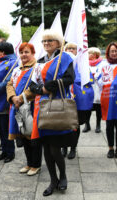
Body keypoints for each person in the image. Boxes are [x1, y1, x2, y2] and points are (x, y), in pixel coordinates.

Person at [28, 30, 75, 196]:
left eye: (50, 40)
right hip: (41, 108)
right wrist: (40, 89)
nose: (46, 43)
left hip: (57, 106)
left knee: (55, 148)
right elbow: (32, 84)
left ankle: (63, 176)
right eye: (44, 41)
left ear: (58, 42)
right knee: (46, 149)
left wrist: (49, 86)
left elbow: (69, 78)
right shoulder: (39, 61)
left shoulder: (65, 58)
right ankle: (52, 180)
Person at [6, 42, 42, 175]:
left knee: (32, 137)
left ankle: (36, 164)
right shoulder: (16, 70)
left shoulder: (38, 68)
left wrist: (21, 98)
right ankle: (29, 163)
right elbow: (9, 84)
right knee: (22, 135)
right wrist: (13, 97)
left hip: (31, 107)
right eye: (21, 52)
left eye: (27, 52)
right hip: (16, 106)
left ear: (33, 53)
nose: (23, 55)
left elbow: (37, 85)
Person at [96, 42, 117, 159]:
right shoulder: (103, 65)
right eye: (112, 51)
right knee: (109, 125)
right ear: (108, 53)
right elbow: (99, 81)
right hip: (107, 98)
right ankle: (110, 148)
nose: (114, 53)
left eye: (116, 51)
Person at [61, 42, 94, 159]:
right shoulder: (61, 63)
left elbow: (89, 80)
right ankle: (63, 147)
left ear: (77, 51)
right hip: (63, 99)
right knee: (63, 125)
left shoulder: (82, 64)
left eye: (73, 48)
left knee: (75, 125)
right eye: (68, 48)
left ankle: (73, 148)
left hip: (78, 100)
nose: (70, 50)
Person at [83, 47, 106, 133]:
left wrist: (96, 76)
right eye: (88, 53)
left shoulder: (102, 63)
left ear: (96, 55)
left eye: (90, 53)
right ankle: (87, 124)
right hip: (88, 87)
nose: (89, 55)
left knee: (98, 108)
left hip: (98, 88)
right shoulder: (85, 64)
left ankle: (98, 125)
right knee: (87, 108)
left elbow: (104, 74)